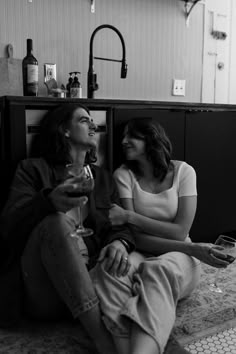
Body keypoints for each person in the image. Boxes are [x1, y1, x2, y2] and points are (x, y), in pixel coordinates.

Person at [0, 103, 136, 354]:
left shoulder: (102, 178)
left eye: (93, 121)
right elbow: (9, 226)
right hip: (45, 290)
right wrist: (48, 202)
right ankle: (101, 339)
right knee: (56, 221)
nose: (93, 125)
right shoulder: (32, 169)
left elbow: (121, 225)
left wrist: (120, 242)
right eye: (84, 120)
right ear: (64, 130)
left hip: (90, 277)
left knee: (144, 289)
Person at [89, 117, 232, 354]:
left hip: (181, 253)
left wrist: (130, 217)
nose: (124, 141)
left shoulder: (184, 171)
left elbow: (180, 232)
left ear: (151, 139)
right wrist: (129, 224)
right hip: (140, 250)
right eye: (123, 136)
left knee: (157, 270)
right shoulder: (123, 175)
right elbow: (134, 237)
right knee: (109, 269)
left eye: (131, 136)